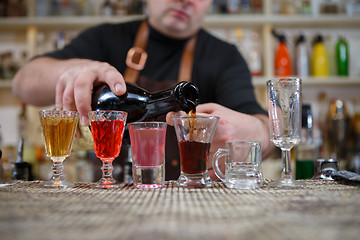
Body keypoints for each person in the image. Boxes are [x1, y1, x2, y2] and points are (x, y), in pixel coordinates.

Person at [12, 0, 273, 180]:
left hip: (189, 208)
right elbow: (22, 83)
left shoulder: (224, 56)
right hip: (100, 203)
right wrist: (74, 69)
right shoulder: (107, 38)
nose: (185, 0)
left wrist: (256, 134)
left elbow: (265, 127)